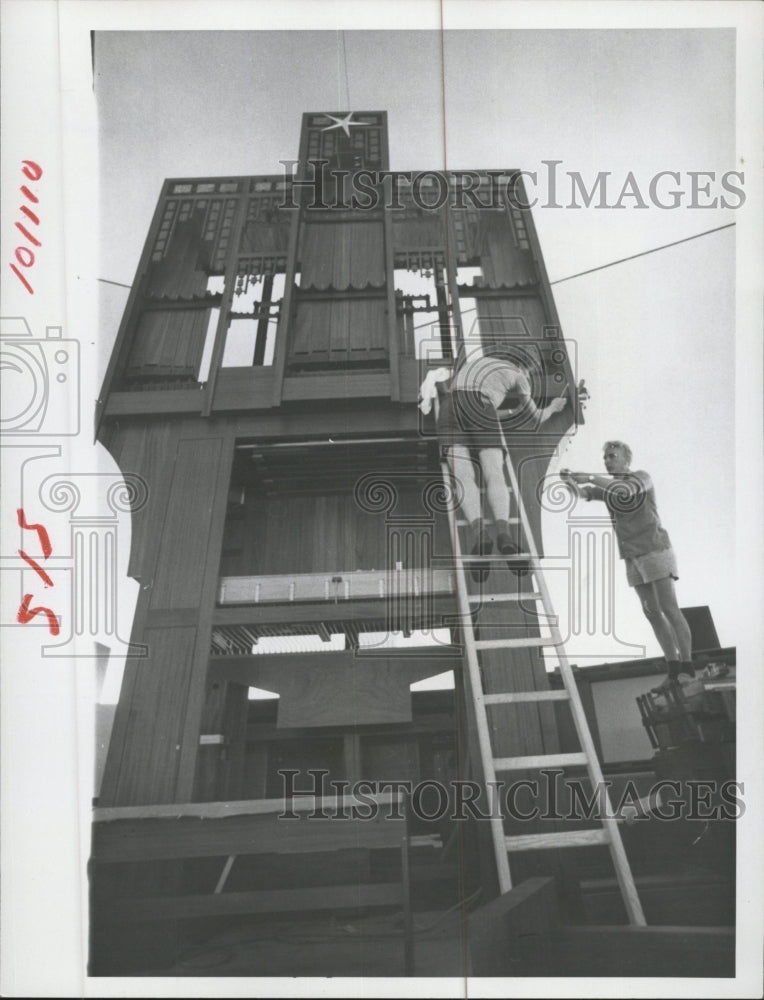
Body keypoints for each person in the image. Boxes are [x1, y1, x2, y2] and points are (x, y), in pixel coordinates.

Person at [419, 350, 567, 581]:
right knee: (494, 472)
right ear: (527, 368)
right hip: (482, 406)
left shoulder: (477, 363)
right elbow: (536, 417)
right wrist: (554, 407)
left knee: (463, 476)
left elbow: (471, 397)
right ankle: (504, 535)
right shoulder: (519, 376)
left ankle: (479, 533)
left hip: (451, 406)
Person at [560, 441, 695, 687]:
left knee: (668, 607)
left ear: (626, 459)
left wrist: (589, 476)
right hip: (632, 556)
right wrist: (568, 481)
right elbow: (583, 494)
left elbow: (626, 490)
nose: (607, 461)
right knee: (651, 612)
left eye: (612, 456)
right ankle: (673, 669)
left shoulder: (641, 477)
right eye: (605, 458)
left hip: (654, 549)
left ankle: (688, 667)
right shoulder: (608, 488)